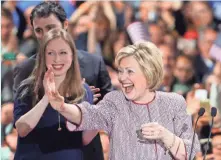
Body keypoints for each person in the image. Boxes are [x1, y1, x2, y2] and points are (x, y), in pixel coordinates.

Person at [46, 41, 201, 160]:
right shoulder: (115, 102)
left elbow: (189, 151)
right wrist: (62, 106)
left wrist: (165, 135)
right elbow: (87, 115)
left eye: (129, 72)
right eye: (120, 71)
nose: (122, 78)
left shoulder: (174, 103)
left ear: (149, 73)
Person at [13, 2, 113, 160]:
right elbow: (20, 125)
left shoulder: (93, 65)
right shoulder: (25, 71)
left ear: (65, 25)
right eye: (38, 30)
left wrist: (94, 110)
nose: (45, 35)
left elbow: (108, 105)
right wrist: (48, 98)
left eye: (50, 28)